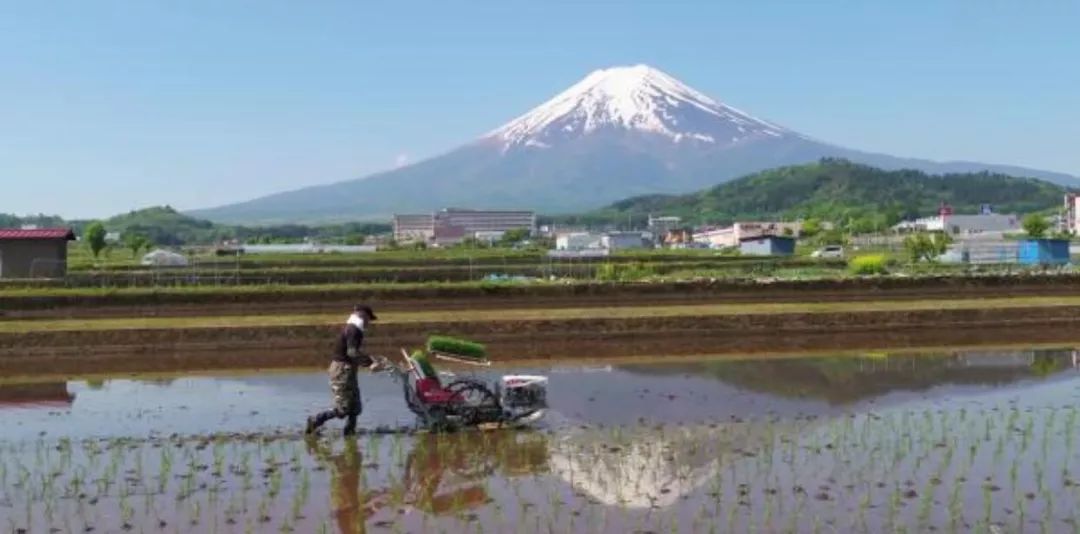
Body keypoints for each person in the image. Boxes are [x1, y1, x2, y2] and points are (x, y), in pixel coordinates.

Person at [306, 304, 381, 436]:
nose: (369, 323)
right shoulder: (353, 330)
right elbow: (352, 352)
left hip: (348, 370)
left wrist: (370, 359)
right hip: (342, 371)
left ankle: (350, 433)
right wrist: (369, 363)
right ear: (363, 315)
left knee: (355, 407)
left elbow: (353, 352)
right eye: (369, 319)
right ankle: (315, 420)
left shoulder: (354, 329)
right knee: (343, 408)